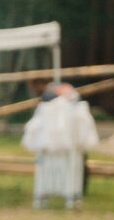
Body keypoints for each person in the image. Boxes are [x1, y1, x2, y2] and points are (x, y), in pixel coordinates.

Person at [25, 81, 99, 209]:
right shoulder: (55, 111)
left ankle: (62, 197)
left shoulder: (74, 111)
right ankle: (55, 196)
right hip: (54, 151)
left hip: (68, 151)